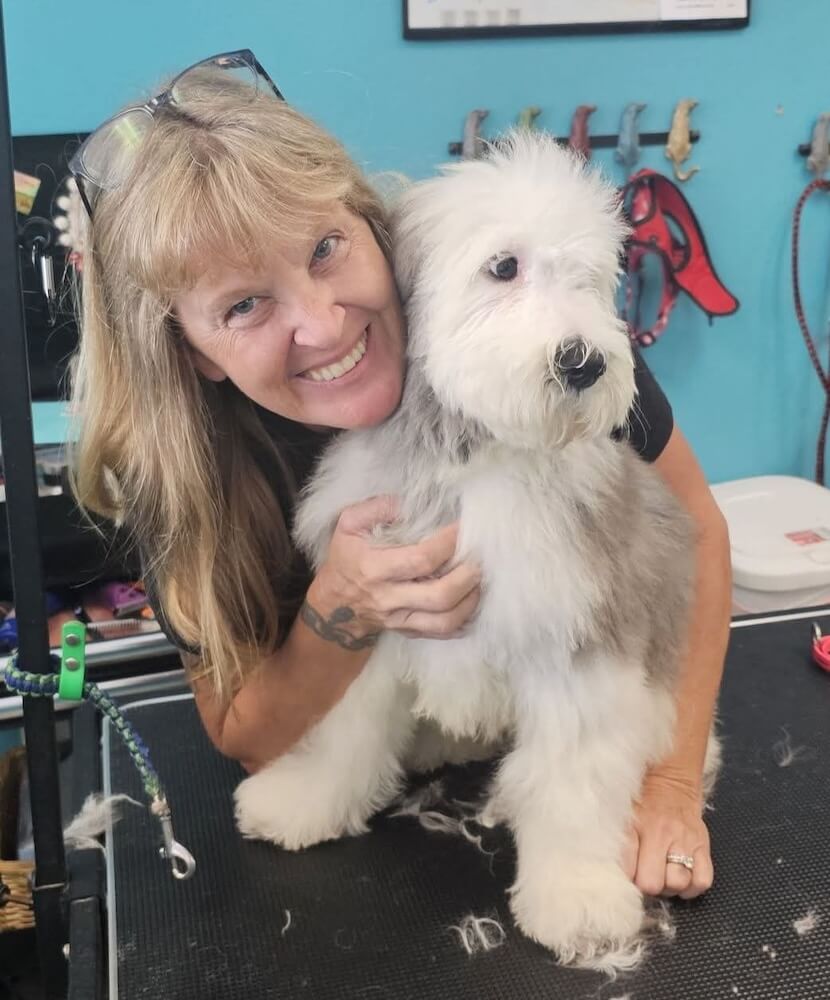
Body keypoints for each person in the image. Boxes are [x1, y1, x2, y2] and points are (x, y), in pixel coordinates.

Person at [69, 50, 731, 902]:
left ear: (379, 230)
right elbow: (244, 733)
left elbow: (695, 534)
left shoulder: (553, 369)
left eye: (324, 248)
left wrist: (672, 782)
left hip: (589, 697)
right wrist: (342, 609)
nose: (322, 323)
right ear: (188, 352)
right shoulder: (185, 469)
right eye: (243, 305)